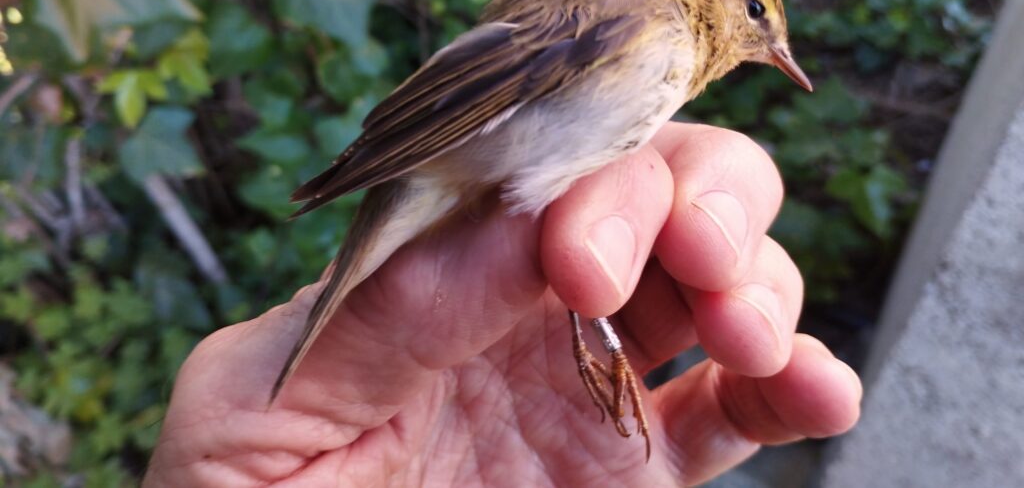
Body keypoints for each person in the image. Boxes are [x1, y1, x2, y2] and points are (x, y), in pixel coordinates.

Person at [143, 123, 861, 486]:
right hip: (465, 164)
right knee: (586, 237)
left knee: (595, 238)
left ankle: (596, 328)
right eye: (756, 15)